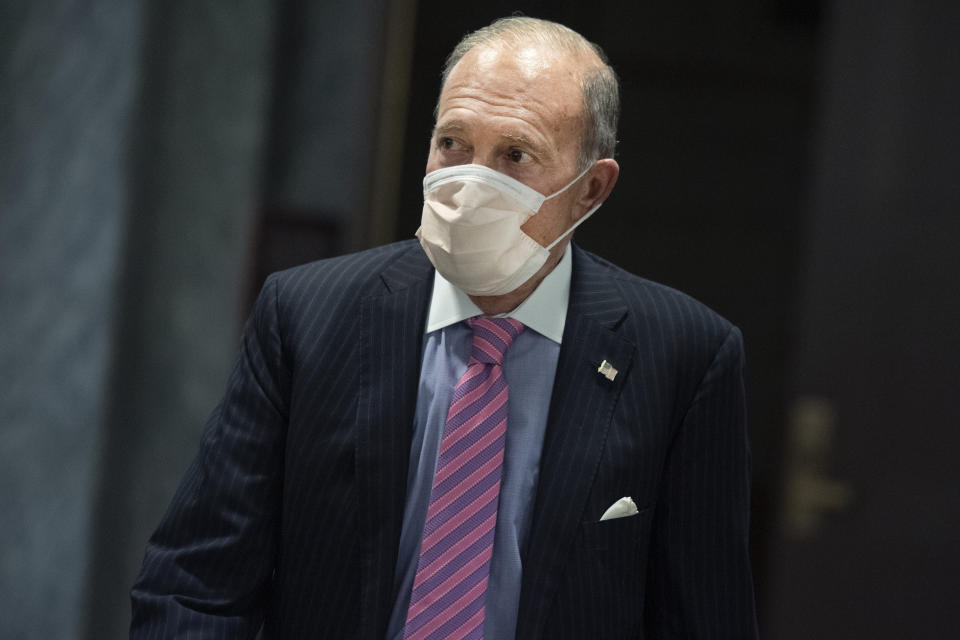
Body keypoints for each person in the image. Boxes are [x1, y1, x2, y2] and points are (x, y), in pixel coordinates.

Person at [131, 16, 758, 640]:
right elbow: (194, 583)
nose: (470, 181)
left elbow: (704, 619)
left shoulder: (685, 357)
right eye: (453, 143)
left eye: (515, 155)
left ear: (590, 189)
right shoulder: (306, 315)